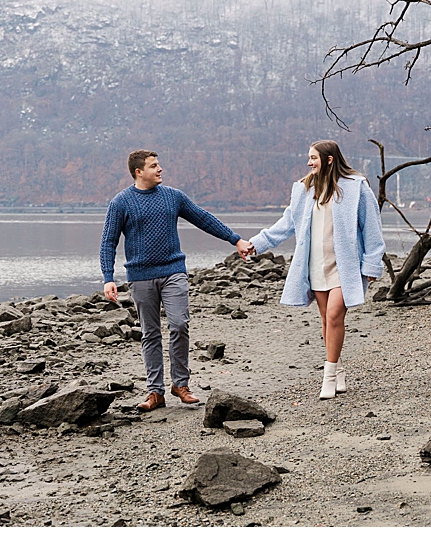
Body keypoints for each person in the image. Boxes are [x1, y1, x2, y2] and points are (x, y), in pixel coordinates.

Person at [100, 149, 246, 410]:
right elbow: (108, 241)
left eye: (158, 165)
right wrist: (108, 277)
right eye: (154, 166)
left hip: (173, 271)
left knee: (179, 325)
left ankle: (180, 384)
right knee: (150, 333)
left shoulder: (173, 197)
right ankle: (155, 392)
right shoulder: (121, 202)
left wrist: (234, 239)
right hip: (141, 276)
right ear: (138, 172)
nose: (160, 169)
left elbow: (203, 218)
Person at [240, 140, 385, 401]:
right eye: (309, 158)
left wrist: (372, 263)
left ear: (329, 159)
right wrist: (257, 243)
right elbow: (287, 223)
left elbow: (372, 226)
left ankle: (328, 376)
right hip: (316, 264)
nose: (309, 162)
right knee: (325, 321)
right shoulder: (305, 189)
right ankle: (338, 370)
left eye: (314, 158)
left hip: (345, 265)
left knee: (334, 317)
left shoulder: (356, 187)